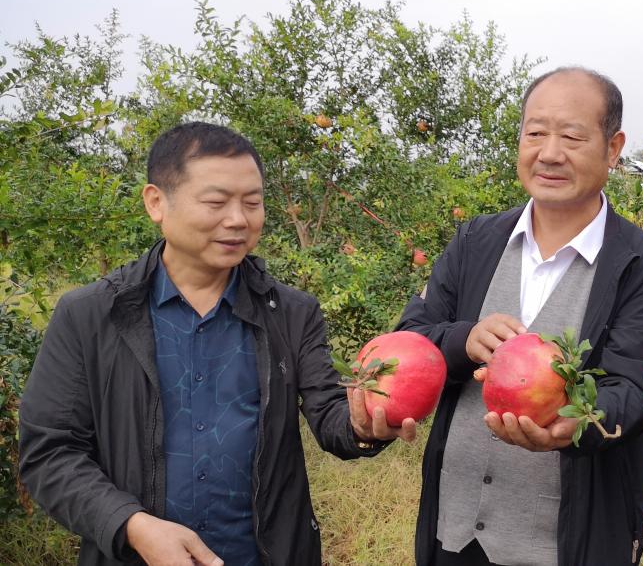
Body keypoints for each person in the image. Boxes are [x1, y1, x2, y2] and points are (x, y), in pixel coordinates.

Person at [19, 122, 405, 566]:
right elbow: (50, 452)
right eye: (216, 202)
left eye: (253, 203)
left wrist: (362, 423)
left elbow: (329, 412)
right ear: (156, 202)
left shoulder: (292, 313)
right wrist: (131, 524)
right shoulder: (90, 316)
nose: (238, 219)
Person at [397, 67, 643, 566]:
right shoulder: (475, 242)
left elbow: (636, 390)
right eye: (535, 133)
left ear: (613, 148)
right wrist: (464, 342)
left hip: (565, 544)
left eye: (572, 136)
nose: (549, 153)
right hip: (456, 533)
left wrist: (573, 424)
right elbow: (412, 339)